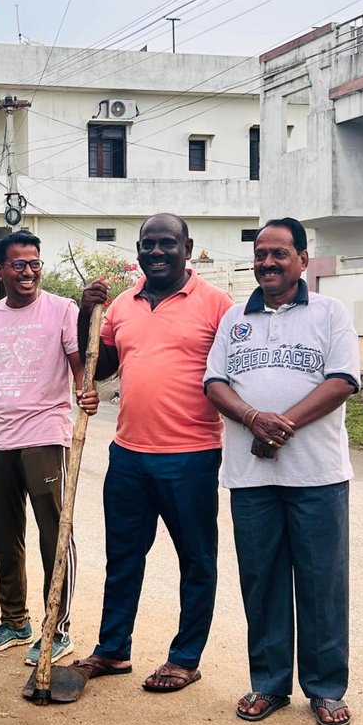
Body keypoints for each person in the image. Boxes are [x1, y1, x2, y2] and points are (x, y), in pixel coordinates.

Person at [204, 218, 361, 725]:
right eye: (261, 254)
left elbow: (342, 380)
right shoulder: (234, 319)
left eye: (279, 254)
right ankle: (269, 683)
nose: (267, 262)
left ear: (302, 260)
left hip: (317, 474)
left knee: (322, 582)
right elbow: (214, 383)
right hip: (251, 477)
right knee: (262, 580)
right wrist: (253, 419)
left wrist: (282, 425)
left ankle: (325, 688)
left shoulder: (330, 312)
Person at [73, 214, 231, 693]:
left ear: (187, 247)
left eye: (167, 244)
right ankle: (113, 649)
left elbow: (232, 374)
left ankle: (185, 657)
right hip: (128, 456)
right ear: (138, 250)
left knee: (196, 560)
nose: (156, 252)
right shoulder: (121, 305)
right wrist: (86, 312)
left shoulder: (217, 304)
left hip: (192, 455)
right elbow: (98, 368)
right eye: (148, 245)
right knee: (122, 556)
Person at [0, 230, 98, 665]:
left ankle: (56, 628)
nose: (28, 272)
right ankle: (15, 620)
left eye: (35, 264)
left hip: (46, 436)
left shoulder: (61, 309)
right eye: (19, 265)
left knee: (55, 536)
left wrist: (87, 391)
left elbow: (81, 366)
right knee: (4, 534)